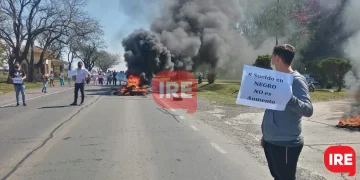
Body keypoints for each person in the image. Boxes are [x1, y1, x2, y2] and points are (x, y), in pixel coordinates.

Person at [261, 44, 313, 180]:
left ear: (277, 58)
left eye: (273, 56)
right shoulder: (275, 79)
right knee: (277, 177)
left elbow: (308, 110)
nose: (271, 59)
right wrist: (265, 135)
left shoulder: (296, 80)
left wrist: (290, 98)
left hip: (286, 143)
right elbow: (271, 109)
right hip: (270, 141)